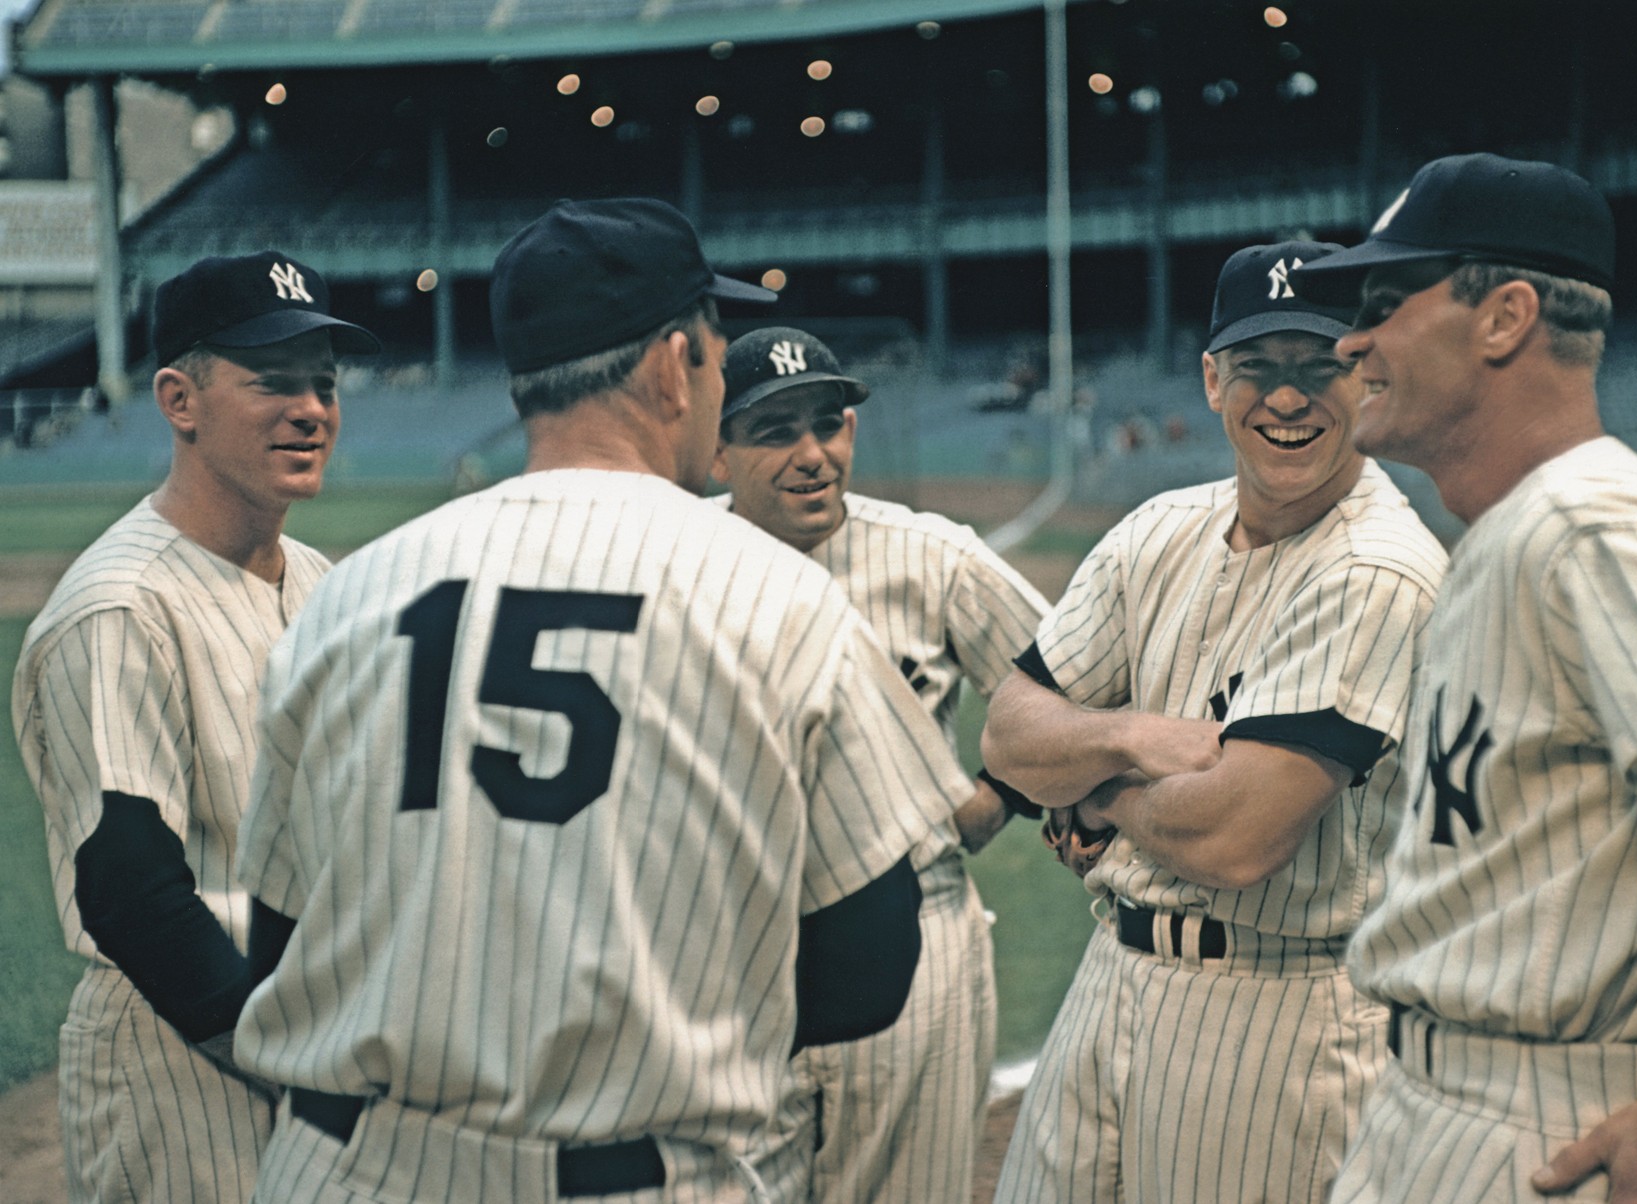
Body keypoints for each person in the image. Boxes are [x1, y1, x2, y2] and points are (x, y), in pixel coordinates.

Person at [230, 199, 976, 1204]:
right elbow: (874, 963)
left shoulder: (348, 594)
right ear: (675, 366)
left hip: (342, 1166)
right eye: (717, 355)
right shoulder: (781, 595)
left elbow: (278, 936)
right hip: (625, 1173)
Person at [1288, 153, 1637, 1204]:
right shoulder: (1519, 533)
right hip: (1466, 1101)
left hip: (1567, 1124)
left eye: (1385, 303)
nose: (1350, 341)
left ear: (1505, 316)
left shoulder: (1591, 523)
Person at [983, 240, 1448, 1204]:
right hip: (1109, 978)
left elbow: (1236, 837)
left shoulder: (1376, 569)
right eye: (1257, 368)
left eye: (1317, 366)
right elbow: (1009, 736)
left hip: (1276, 1015)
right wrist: (1129, 742)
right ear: (1209, 380)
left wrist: (1098, 794)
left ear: (1366, 371)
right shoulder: (1159, 529)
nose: (1286, 399)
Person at [10, 251, 380, 1203]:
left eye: (324, 383)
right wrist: (294, 1061)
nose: (311, 408)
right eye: (271, 380)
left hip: (314, 1042)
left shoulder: (324, 583)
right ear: (180, 399)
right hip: (183, 1056)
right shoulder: (122, 606)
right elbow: (134, 892)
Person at [711, 325, 1051, 1203]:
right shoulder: (679, 562)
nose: (814, 453)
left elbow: (1075, 673)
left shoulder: (928, 555)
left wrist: (1000, 793)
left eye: (830, 424)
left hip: (915, 932)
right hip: (730, 944)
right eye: (776, 431)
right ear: (718, 453)